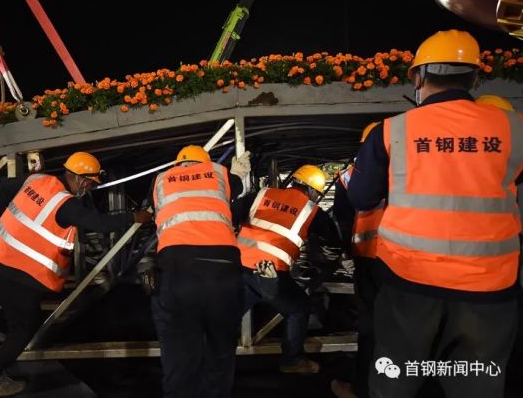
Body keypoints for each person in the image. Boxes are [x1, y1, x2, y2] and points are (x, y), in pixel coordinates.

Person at [348, 30, 522, 398]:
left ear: (418, 77)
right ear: (475, 78)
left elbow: (361, 197)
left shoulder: (391, 131)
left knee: (396, 379)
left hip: (409, 283)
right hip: (489, 287)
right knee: (476, 383)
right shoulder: (514, 129)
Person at [0, 152, 152, 398]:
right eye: (90, 184)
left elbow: (1, 189)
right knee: (22, 329)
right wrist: (135, 217)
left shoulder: (37, 180)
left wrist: (15, 221)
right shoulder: (66, 204)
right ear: (81, 179)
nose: (89, 189)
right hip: (19, 275)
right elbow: (100, 223)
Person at [151, 144, 250, 398]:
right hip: (222, 273)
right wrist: (237, 173)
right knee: (220, 352)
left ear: (178, 164)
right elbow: (235, 188)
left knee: (180, 356)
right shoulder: (219, 173)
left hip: (177, 271)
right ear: (205, 162)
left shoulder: (161, 181)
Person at [238, 164, 339, 375]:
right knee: (299, 307)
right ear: (312, 191)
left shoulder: (262, 194)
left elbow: (232, 214)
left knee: (228, 315)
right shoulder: (311, 210)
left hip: (240, 267)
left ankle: (205, 353)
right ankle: (292, 360)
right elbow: (332, 240)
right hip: (269, 273)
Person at [331, 122, 383, 398]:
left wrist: (346, 253)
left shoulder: (349, 177)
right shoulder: (412, 171)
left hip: (368, 257)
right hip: (408, 258)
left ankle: (363, 388)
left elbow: (342, 219)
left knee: (371, 328)